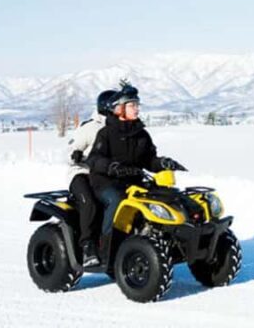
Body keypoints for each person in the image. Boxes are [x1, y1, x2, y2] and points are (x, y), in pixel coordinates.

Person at [87, 81, 184, 252]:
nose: (137, 109)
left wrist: (162, 163)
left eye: (137, 104)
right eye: (132, 105)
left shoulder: (142, 134)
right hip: (106, 182)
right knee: (116, 199)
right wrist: (111, 167)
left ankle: (159, 237)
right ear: (119, 109)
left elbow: (149, 160)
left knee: (162, 197)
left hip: (133, 181)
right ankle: (105, 245)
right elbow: (94, 159)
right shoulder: (106, 134)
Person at [66, 89, 116, 267]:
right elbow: (69, 151)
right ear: (108, 107)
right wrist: (76, 155)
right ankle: (88, 247)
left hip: (107, 177)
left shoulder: (119, 128)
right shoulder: (90, 127)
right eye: (117, 106)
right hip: (82, 174)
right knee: (90, 203)